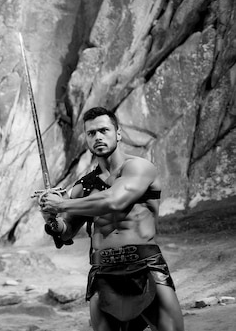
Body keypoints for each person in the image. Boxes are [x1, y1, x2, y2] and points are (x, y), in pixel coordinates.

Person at [38, 107, 184, 331]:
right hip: (103, 271)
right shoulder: (85, 185)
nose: (97, 137)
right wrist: (50, 216)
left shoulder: (139, 167)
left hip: (145, 267)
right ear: (86, 138)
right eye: (91, 133)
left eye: (103, 130)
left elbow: (114, 199)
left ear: (117, 133)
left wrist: (62, 203)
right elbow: (66, 230)